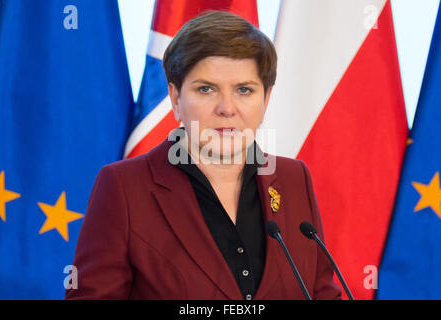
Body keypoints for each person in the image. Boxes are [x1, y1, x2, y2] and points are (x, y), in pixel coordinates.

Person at [65, 10, 341, 300]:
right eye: (206, 89)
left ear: (266, 99)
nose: (226, 108)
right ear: (175, 99)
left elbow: (321, 293)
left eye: (244, 90)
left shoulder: (293, 178)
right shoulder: (124, 187)